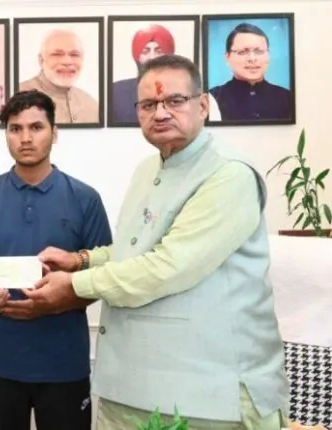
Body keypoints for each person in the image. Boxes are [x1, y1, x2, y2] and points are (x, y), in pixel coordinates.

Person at [28, 54, 290, 428]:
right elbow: (135, 251)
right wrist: (81, 260)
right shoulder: (147, 170)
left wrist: (74, 285)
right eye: (149, 104)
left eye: (175, 101)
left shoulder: (228, 174)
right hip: (132, 385)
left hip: (208, 395)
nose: (161, 113)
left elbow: (169, 266)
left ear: (203, 106)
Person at [0, 90, 113, 430]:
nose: (25, 138)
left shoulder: (85, 198)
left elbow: (105, 277)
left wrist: (55, 303)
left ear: (54, 133)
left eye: (36, 127)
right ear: (6, 135)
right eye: (15, 129)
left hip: (64, 365)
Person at [110, 24, 221, 124]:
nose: (152, 57)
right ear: (137, 56)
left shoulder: (191, 90)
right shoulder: (116, 92)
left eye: (159, 51)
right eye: (145, 51)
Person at [208, 23, 292, 122]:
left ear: (268, 55)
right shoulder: (212, 98)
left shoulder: (288, 97)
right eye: (242, 52)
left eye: (259, 51)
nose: (252, 59)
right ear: (227, 57)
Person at [19, 29, 99, 124]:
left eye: (74, 55)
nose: (67, 62)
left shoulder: (92, 105)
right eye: (57, 54)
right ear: (41, 60)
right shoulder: (17, 95)